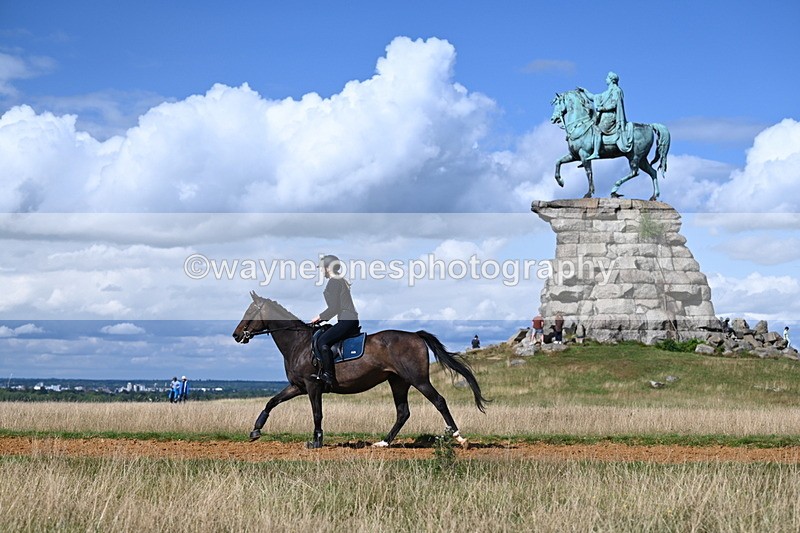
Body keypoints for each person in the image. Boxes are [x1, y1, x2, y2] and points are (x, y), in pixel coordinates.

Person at [310, 254, 360, 387]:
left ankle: (329, 376)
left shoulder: (334, 281)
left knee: (322, 341)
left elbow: (334, 308)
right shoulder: (339, 280)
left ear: (327, 268)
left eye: (321, 268)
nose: (321, 271)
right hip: (349, 319)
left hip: (346, 320)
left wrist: (319, 317)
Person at [577, 71, 632, 159]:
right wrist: (585, 91)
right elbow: (594, 97)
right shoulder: (606, 93)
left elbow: (614, 104)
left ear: (611, 80)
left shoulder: (616, 91)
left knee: (597, 129)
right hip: (604, 116)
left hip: (610, 117)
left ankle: (596, 152)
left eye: (607, 78)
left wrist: (603, 108)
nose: (605, 79)